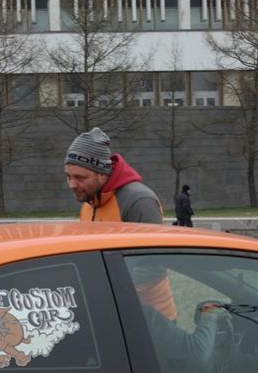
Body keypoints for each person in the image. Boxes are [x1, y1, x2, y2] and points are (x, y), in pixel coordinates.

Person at [65, 127, 176, 317]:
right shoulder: (89, 202)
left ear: (102, 173)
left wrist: (102, 288)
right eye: (68, 176)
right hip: (111, 312)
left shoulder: (138, 201)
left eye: (80, 178)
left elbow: (155, 264)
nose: (72, 185)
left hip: (150, 319)